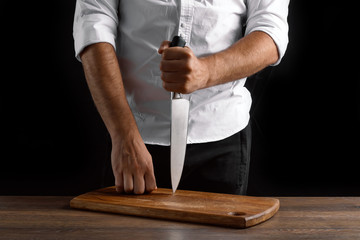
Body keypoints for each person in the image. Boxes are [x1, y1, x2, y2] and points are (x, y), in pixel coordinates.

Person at [73, 0, 289, 195]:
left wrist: (206, 72)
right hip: (131, 138)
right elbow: (93, 22)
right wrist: (124, 135)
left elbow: (270, 31)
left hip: (222, 136)